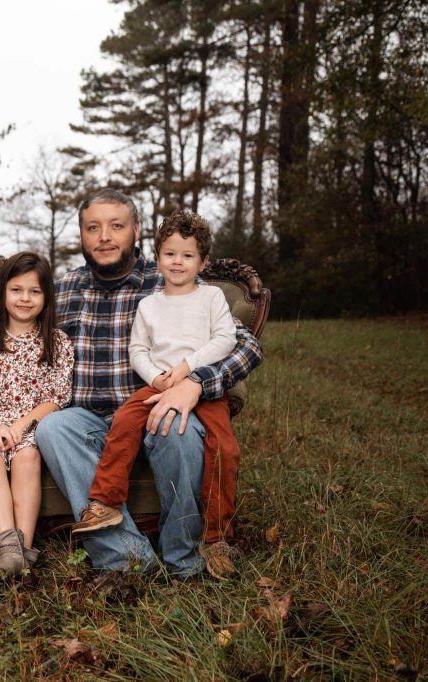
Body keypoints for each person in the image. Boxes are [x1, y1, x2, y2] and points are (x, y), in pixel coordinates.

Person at [35, 189, 262, 580]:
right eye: (93, 228)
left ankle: (183, 558)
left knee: (176, 425)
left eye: (116, 226)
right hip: (87, 419)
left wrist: (196, 384)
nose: (105, 237)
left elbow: (245, 345)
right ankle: (128, 559)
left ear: (136, 230)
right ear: (82, 235)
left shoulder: (171, 279)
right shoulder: (63, 290)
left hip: (154, 409)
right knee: (53, 428)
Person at [0, 252, 74, 582]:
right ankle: (9, 549)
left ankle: (24, 550)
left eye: (34, 291)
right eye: (17, 290)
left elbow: (57, 397)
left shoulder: (57, 342)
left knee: (27, 456)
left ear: (46, 297)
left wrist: (20, 427)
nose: (25, 298)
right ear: (3, 292)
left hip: (33, 424)